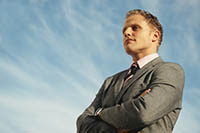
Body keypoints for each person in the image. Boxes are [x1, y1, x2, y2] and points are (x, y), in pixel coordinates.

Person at [76, 9, 184, 133]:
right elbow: (82, 122)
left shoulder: (170, 71)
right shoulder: (110, 81)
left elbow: (142, 113)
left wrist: (100, 114)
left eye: (135, 28)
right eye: (124, 30)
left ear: (155, 35)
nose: (127, 33)